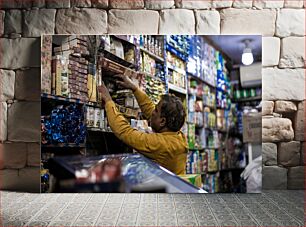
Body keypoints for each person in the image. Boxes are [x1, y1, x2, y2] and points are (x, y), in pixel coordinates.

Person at [97, 74, 188, 175]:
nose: (152, 112)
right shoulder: (179, 136)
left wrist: (108, 101)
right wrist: (134, 89)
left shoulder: (159, 144)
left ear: (162, 121)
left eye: (156, 110)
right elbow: (150, 110)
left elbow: (125, 132)